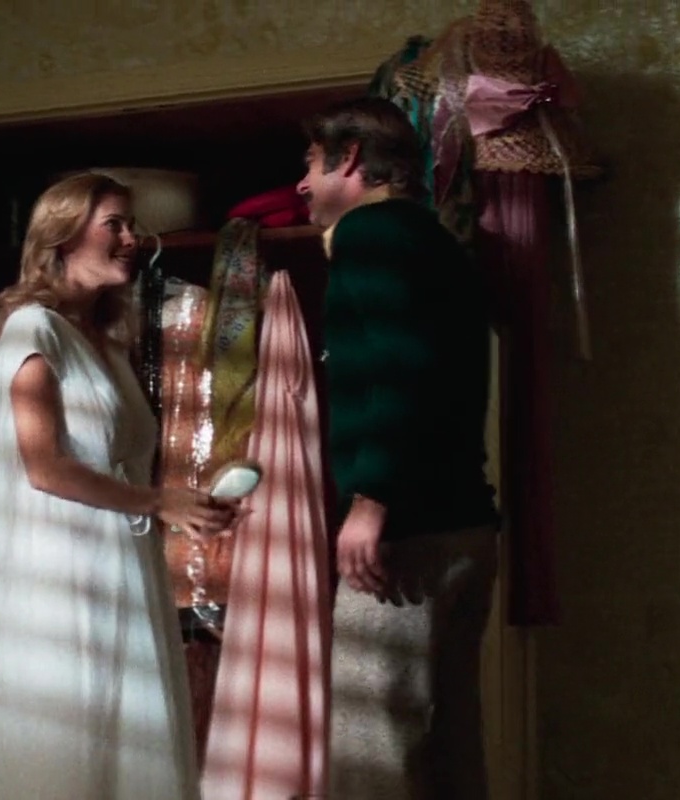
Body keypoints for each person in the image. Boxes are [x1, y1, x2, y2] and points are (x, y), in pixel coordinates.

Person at [0, 173, 234, 800]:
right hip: (61, 574)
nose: (131, 239)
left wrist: (190, 506)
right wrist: (159, 502)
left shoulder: (110, 343)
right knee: (69, 734)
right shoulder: (33, 329)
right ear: (64, 238)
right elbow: (43, 465)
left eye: (131, 225)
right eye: (113, 225)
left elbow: (121, 460)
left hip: (121, 565)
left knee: (121, 735)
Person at [298, 97, 502, 799]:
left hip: (407, 537)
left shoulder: (370, 232)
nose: (301, 184)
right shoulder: (434, 239)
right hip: (465, 527)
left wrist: (371, 500)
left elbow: (401, 366)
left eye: (310, 164)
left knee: (372, 757)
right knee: (450, 751)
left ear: (350, 158)